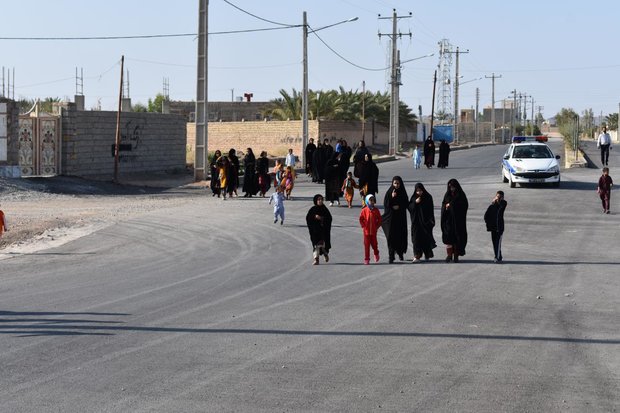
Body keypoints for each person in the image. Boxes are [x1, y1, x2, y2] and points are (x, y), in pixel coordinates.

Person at [381, 176, 409, 263]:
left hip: (400, 218)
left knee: (400, 236)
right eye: (395, 183)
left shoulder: (403, 192)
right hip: (391, 219)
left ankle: (400, 253)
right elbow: (386, 205)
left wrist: (399, 206)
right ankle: (391, 256)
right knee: (391, 237)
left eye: (398, 183)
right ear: (392, 183)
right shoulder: (389, 192)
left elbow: (406, 203)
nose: (396, 185)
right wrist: (392, 197)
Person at [440, 178, 468, 263]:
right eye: (450, 187)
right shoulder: (447, 194)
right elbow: (443, 204)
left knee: (457, 238)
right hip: (448, 221)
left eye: (453, 187)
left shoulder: (461, 195)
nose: (451, 189)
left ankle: (456, 255)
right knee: (448, 237)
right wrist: (446, 207)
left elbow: (464, 206)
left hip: (458, 221)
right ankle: (449, 255)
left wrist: (451, 205)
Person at [408, 182, 437, 262]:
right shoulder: (414, 198)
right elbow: (410, 208)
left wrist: (431, 221)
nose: (419, 192)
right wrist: (415, 203)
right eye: (417, 191)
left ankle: (427, 254)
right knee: (416, 239)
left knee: (426, 239)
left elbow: (431, 210)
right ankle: (417, 256)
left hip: (426, 223)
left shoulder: (428, 197)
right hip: (416, 223)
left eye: (420, 190)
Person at [306, 194, 332, 265]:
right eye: (318, 199)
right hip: (315, 232)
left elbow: (329, 218)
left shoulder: (325, 209)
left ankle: (325, 254)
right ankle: (316, 259)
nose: (320, 201)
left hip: (323, 231)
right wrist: (314, 217)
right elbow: (308, 218)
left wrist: (322, 218)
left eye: (321, 199)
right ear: (315, 201)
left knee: (322, 246)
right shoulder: (312, 209)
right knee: (316, 246)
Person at [483, 190, 507, 263]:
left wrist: (499, 200)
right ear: (495, 196)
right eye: (497, 196)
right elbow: (486, 216)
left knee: (498, 243)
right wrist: (488, 224)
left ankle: (497, 257)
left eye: (500, 197)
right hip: (493, 228)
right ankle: (499, 256)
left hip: (500, 228)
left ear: (503, 197)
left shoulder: (503, 205)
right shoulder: (491, 206)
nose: (498, 198)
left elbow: (503, 203)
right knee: (494, 243)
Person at [359, 194, 382, 265]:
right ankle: (367, 258)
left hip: (373, 231)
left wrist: (377, 226)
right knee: (366, 245)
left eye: (373, 200)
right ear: (367, 201)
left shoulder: (376, 210)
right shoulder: (364, 210)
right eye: (370, 200)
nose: (372, 202)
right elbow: (361, 219)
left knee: (374, 244)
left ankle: (376, 253)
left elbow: (380, 220)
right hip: (366, 232)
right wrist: (363, 226)